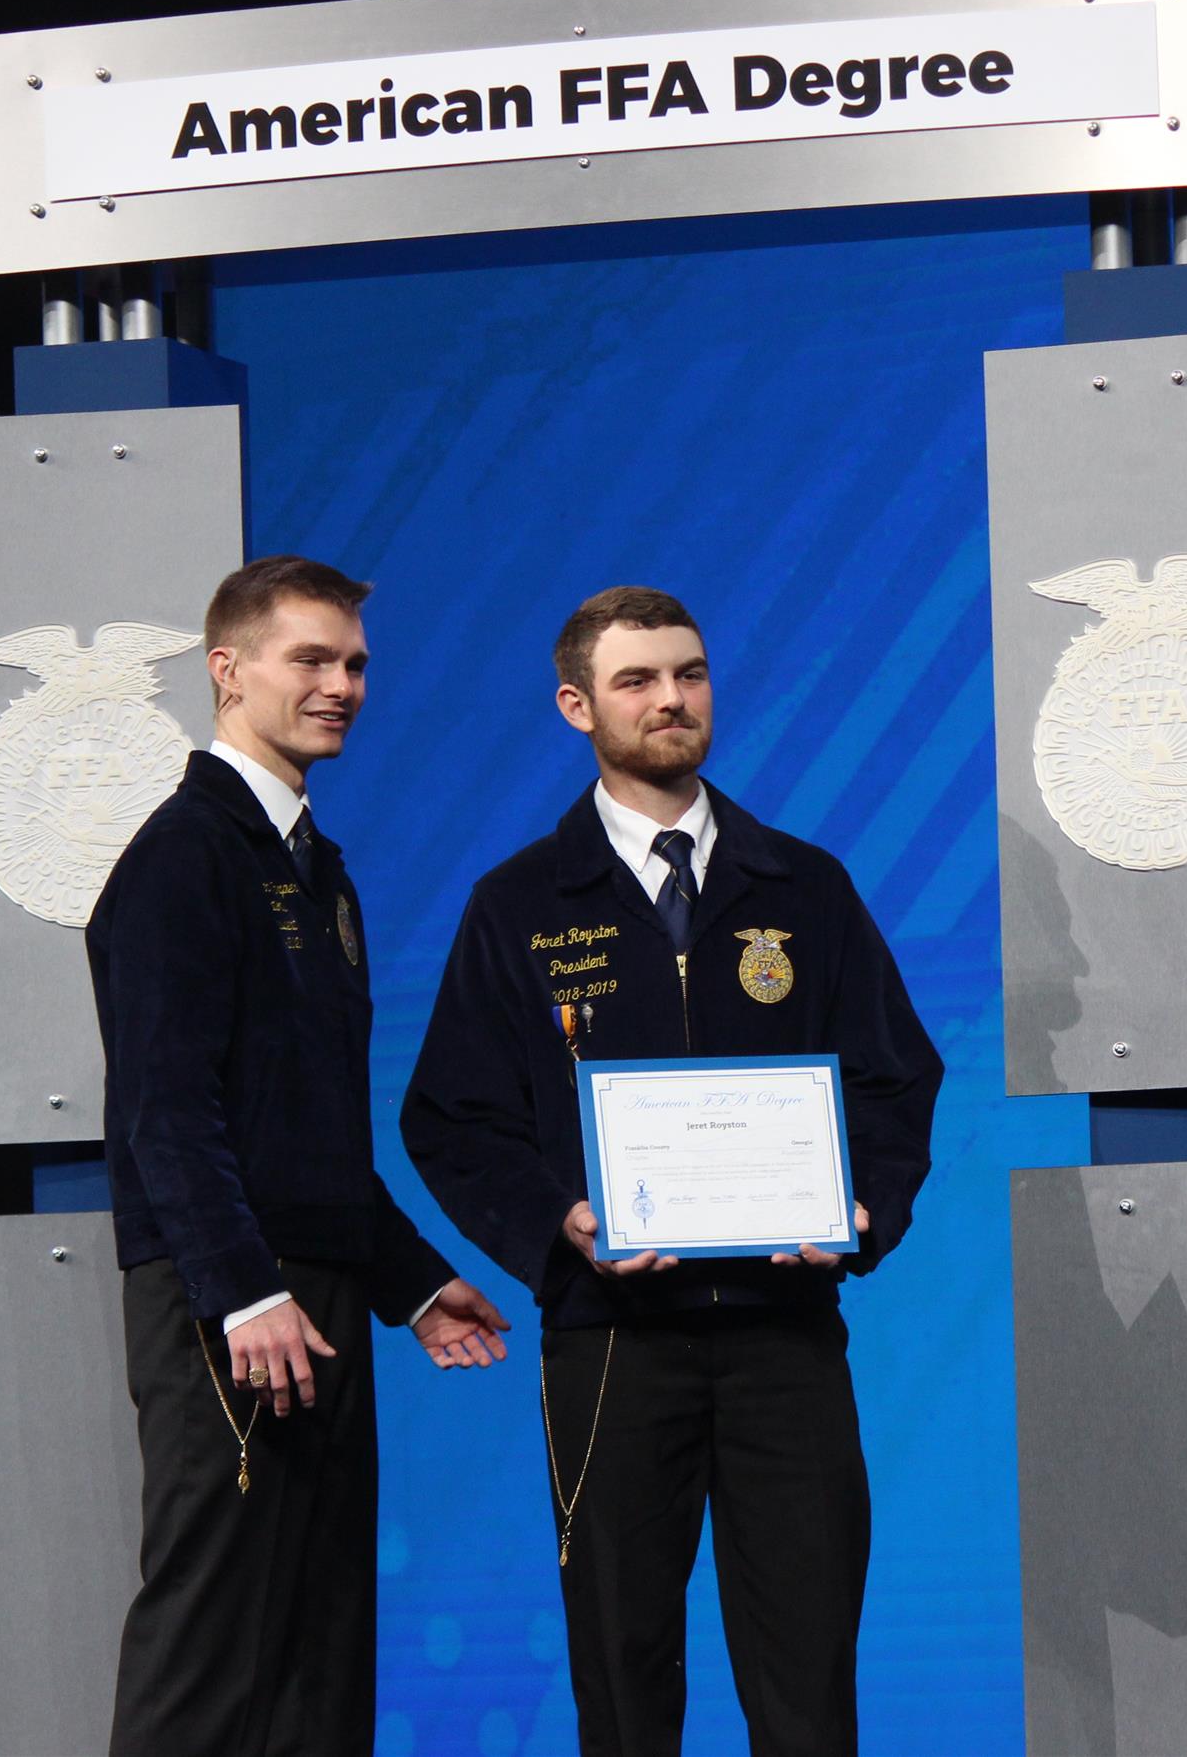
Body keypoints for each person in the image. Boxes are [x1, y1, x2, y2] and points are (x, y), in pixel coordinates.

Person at [401, 585, 942, 1757]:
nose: (670, 699)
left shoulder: (803, 887)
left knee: (807, 1686)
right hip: (612, 1344)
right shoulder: (518, 904)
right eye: (637, 680)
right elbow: (451, 1116)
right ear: (576, 706)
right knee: (623, 1682)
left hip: (784, 1335)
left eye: (689, 674)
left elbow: (894, 1078)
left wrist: (862, 1208)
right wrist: (560, 1223)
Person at [87, 554, 511, 1757]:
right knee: (213, 1646)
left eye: (355, 663)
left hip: (307, 1299)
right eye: (310, 658)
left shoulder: (317, 868)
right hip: (227, 1302)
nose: (341, 685)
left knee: (318, 1651)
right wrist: (240, 1291)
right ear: (226, 670)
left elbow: (308, 1132)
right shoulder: (183, 854)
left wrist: (411, 1283)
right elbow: (166, 1109)